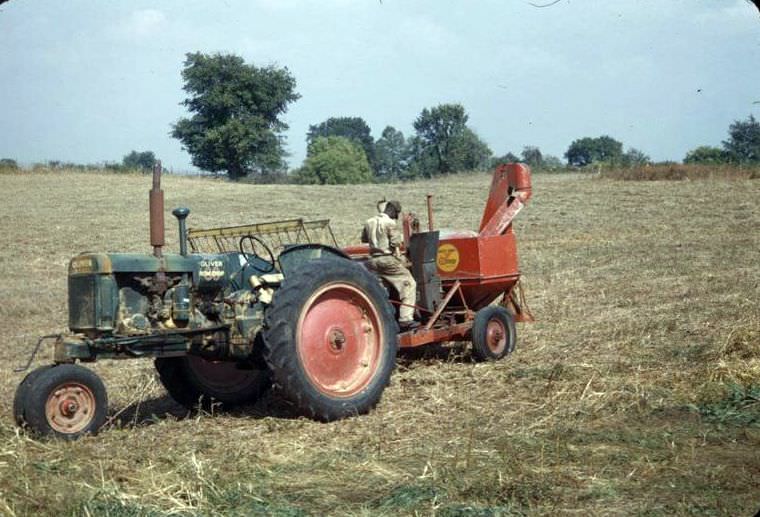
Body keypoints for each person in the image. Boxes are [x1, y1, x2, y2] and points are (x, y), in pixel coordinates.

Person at [361, 200, 419, 330]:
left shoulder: (369, 222)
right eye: (396, 214)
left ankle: (383, 319)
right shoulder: (389, 223)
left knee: (383, 291)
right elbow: (396, 243)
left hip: (373, 262)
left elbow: (364, 239)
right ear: (392, 210)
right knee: (409, 283)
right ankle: (406, 319)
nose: (395, 217)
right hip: (387, 259)